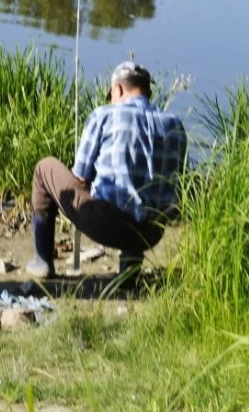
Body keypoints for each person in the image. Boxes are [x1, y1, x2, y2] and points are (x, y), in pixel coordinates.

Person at [27, 61, 187, 280]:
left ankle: (42, 261)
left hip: (109, 225)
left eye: (110, 95)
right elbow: (176, 180)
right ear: (147, 92)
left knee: (44, 168)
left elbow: (80, 176)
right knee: (140, 192)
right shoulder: (175, 125)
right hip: (152, 233)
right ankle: (130, 268)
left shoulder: (104, 115)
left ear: (118, 89)